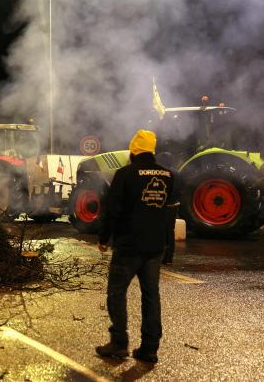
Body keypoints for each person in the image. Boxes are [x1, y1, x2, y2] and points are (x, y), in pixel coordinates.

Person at [95, 130, 176, 364]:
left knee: (117, 293)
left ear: (133, 150)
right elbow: (167, 210)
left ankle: (119, 344)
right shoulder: (168, 175)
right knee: (151, 296)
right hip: (155, 247)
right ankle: (150, 348)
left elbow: (113, 211)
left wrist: (103, 238)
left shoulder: (125, 174)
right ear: (152, 150)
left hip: (129, 246)